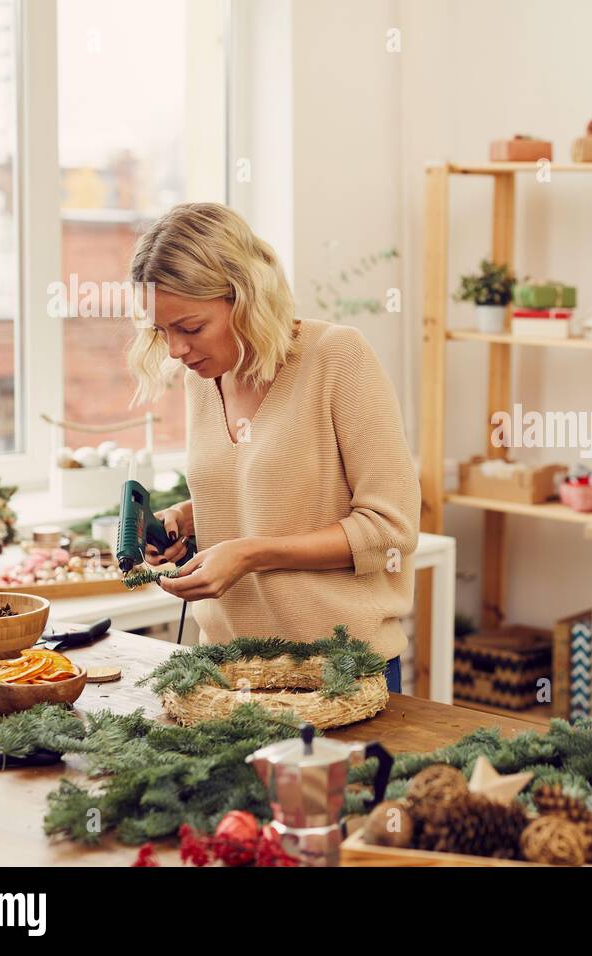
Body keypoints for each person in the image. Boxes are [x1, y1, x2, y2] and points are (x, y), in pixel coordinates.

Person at [127, 202, 418, 693]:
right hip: (224, 668)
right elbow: (274, 492)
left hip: (336, 673)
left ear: (245, 297)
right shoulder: (203, 375)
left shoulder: (336, 358)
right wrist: (194, 517)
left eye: (190, 327)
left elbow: (389, 531)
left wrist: (251, 553)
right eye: (162, 330)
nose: (175, 349)